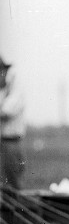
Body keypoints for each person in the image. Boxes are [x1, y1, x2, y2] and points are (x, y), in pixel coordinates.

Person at [0, 55, 26, 190]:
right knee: (4, 187)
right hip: (4, 143)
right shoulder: (4, 90)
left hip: (11, 143)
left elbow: (6, 111)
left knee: (14, 186)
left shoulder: (16, 88)